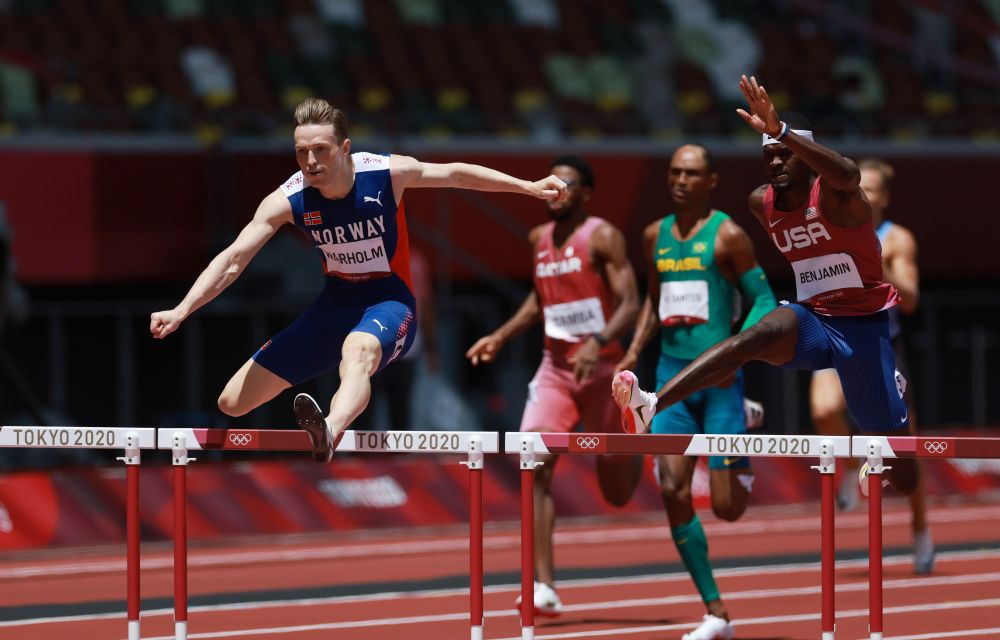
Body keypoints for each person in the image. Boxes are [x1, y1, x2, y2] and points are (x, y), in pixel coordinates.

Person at [150, 98, 567, 461]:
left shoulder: (386, 173)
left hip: (389, 300)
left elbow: (457, 174)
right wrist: (183, 308)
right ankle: (328, 418)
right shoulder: (288, 198)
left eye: (320, 150)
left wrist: (528, 187)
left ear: (344, 148)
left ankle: (329, 430)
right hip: (335, 303)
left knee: (358, 351)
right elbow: (233, 259)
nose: (311, 162)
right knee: (232, 402)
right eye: (301, 152)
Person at [614, 74, 919, 552]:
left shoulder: (840, 198)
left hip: (864, 330)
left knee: (905, 474)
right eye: (769, 155)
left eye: (784, 154)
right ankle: (650, 405)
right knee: (754, 336)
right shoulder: (763, 204)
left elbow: (847, 174)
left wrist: (782, 131)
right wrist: (780, 141)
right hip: (816, 322)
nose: (775, 162)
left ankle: (883, 428)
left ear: (806, 155)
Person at [466, 155, 642, 617]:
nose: (556, 192)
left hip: (604, 371)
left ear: (586, 193)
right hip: (555, 371)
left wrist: (599, 341)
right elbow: (539, 298)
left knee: (618, 492)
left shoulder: (602, 236)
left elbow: (630, 301)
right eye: (551, 185)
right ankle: (543, 584)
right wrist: (501, 335)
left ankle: (635, 423)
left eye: (567, 186)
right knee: (533, 465)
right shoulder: (536, 239)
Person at [614, 144, 776, 640]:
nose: (681, 180)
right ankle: (715, 611)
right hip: (669, 382)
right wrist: (633, 352)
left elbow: (765, 299)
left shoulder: (728, 235)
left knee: (726, 507)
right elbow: (653, 303)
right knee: (671, 489)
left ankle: (742, 422)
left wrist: (737, 352)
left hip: (721, 383)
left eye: (692, 174)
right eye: (674, 173)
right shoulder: (653, 236)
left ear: (711, 182)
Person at [810, 158, 933, 572]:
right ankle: (848, 467)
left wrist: (874, 264)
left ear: (884, 196)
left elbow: (912, 297)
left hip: (883, 343)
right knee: (824, 410)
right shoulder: (829, 226)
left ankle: (919, 528)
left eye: (873, 186)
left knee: (905, 452)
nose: (864, 190)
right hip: (835, 334)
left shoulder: (897, 238)